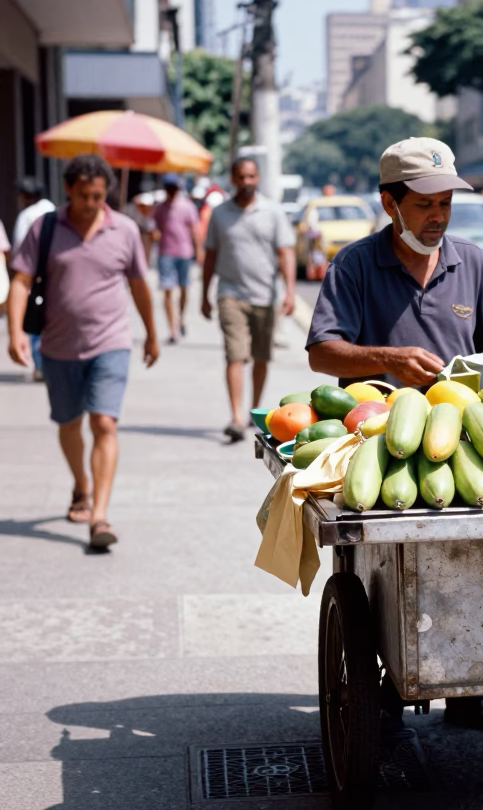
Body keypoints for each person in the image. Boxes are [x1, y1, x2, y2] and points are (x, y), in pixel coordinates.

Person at [307, 136, 483, 731]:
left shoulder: (472, 262)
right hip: (383, 438)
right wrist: (385, 359)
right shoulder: (353, 265)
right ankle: (386, 677)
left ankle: (464, 684)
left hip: (465, 437)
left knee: (473, 559)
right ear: (389, 203)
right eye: (425, 203)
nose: (438, 215)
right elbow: (323, 353)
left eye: (446, 201)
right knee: (390, 569)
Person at [7, 154, 159, 550]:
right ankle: (81, 484)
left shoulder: (124, 229)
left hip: (110, 344)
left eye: (98, 195)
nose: (92, 204)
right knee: (69, 424)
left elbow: (140, 287)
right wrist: (15, 333)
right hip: (57, 347)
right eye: (84, 196)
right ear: (69, 191)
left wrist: (153, 334)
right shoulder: (46, 228)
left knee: (104, 424)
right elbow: (21, 281)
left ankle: (100, 517)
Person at [202, 156, 296, 442]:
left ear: (258, 179)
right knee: (235, 355)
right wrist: (204, 294)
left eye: (251, 177)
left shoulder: (273, 212)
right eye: (241, 177)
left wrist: (290, 291)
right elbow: (211, 255)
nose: (246, 182)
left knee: (261, 357)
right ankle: (236, 417)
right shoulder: (220, 214)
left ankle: (255, 411)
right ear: (233, 179)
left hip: (265, 297)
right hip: (231, 294)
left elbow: (286, 253)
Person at [11, 177, 55, 380]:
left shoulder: (27, 215)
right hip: (56, 276)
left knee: (35, 319)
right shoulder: (53, 210)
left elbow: (19, 247)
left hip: (33, 278)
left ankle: (40, 366)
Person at [152, 174, 201, 343]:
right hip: (166, 253)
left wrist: (199, 250)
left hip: (184, 253)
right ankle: (172, 330)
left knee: (184, 288)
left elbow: (195, 229)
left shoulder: (187, 207)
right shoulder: (159, 208)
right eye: (169, 189)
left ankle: (181, 318)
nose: (171, 192)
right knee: (167, 290)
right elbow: (154, 228)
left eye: (174, 188)